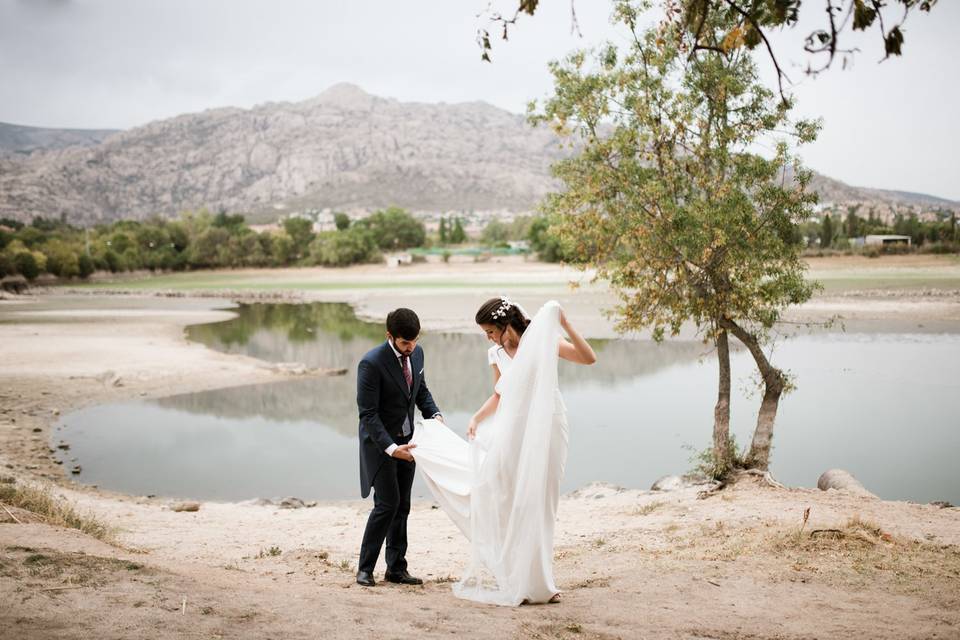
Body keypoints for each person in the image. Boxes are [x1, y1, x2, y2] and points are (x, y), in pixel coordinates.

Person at [412, 297, 596, 605]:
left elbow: (587, 358)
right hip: (514, 430)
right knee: (510, 499)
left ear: (503, 326)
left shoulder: (541, 342)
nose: (488, 337)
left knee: (542, 501)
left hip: (549, 424)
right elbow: (500, 394)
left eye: (489, 331)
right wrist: (476, 417)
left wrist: (564, 324)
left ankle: (541, 582)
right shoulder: (495, 353)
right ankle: (516, 576)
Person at [355, 307, 443, 588]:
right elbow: (368, 414)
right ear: (389, 336)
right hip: (381, 446)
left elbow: (420, 391)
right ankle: (365, 569)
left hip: (411, 442)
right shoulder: (371, 363)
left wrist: (435, 415)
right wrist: (392, 448)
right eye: (405, 342)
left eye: (415, 341)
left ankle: (396, 569)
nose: (411, 347)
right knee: (386, 505)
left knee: (402, 506)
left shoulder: (417, 354)